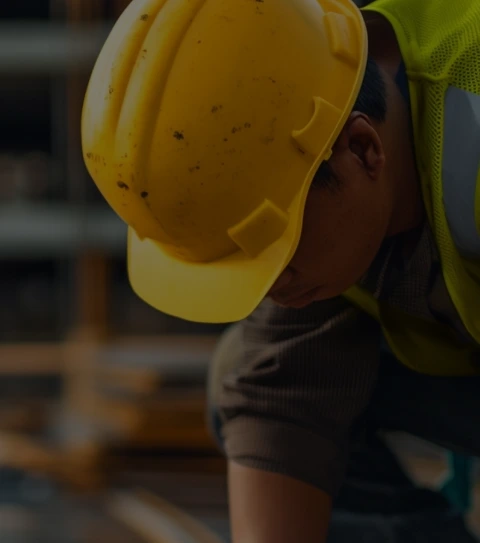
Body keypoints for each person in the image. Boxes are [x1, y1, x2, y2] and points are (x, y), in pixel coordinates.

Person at [82, 0, 480, 540]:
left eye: (278, 250)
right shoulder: (308, 114)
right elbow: (280, 404)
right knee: (245, 370)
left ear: (363, 151)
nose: (268, 288)